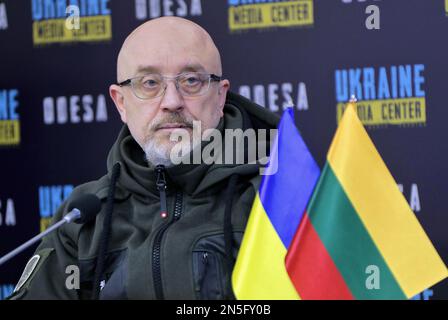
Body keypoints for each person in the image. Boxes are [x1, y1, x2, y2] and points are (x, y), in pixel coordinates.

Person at [8, 17, 279, 300]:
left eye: (190, 81)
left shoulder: (274, 195)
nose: (172, 101)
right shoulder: (84, 217)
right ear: (121, 103)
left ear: (220, 96)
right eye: (150, 83)